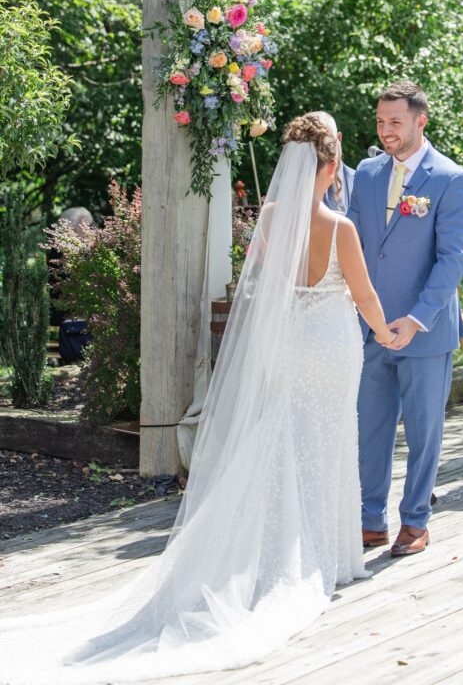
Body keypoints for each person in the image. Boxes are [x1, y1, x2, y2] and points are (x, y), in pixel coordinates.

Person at [0, 114, 397, 683]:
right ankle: (326, 558)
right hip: (332, 346)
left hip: (288, 343)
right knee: (327, 438)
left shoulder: (271, 220)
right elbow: (364, 296)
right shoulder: (340, 228)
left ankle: (275, 550)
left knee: (282, 437)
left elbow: (259, 283)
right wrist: (386, 333)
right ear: (332, 167)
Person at [348, 81, 463, 556]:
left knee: (424, 431)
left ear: (421, 121)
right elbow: (358, 246)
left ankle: (416, 520)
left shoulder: (451, 179)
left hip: (423, 330)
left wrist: (416, 318)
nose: (386, 131)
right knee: (371, 427)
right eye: (380, 121)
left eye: (395, 122)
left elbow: (452, 259)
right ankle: (370, 518)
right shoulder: (367, 173)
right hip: (370, 328)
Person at [311, 110, 356, 213]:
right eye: (316, 143)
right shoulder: (302, 183)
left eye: (328, 143)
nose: (323, 149)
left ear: (339, 138)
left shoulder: (361, 180)